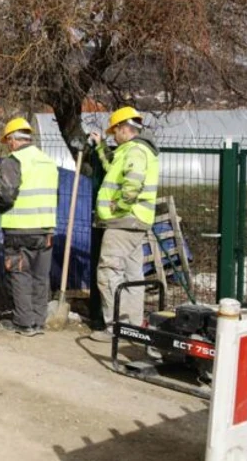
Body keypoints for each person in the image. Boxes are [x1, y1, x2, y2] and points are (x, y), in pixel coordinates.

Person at [88, 106, 160, 342]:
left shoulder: (136, 152)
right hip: (136, 222)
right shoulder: (132, 150)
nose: (113, 136)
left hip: (123, 221)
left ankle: (114, 327)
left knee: (108, 272)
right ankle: (132, 327)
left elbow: (132, 183)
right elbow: (112, 169)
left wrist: (117, 207)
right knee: (132, 275)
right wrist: (100, 147)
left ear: (124, 129)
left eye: (114, 131)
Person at [0, 117, 59, 337]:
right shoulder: (47, 161)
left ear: (12, 140)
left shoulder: (14, 161)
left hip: (19, 229)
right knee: (41, 276)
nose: (7, 145)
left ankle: (23, 322)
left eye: (7, 141)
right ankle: (38, 321)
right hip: (45, 228)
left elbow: (7, 193)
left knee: (20, 273)